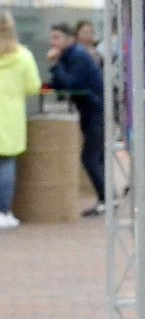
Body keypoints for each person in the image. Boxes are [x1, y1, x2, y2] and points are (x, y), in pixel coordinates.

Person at [46, 21, 105, 213]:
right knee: (94, 157)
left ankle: (107, 199)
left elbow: (71, 83)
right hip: (88, 111)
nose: (53, 42)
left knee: (90, 158)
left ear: (69, 39)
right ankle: (106, 198)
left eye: (57, 37)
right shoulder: (69, 55)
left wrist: (55, 64)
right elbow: (61, 84)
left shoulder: (78, 55)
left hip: (95, 110)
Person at [0, 12, 41, 228]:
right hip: (9, 116)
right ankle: (3, 212)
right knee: (6, 164)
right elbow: (33, 86)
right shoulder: (23, 56)